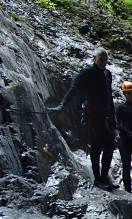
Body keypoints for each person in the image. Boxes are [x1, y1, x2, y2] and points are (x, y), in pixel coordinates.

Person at [49, 47, 119, 191]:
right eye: (101, 59)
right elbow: (74, 89)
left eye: (106, 60)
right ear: (95, 58)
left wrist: (113, 117)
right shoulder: (87, 72)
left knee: (110, 146)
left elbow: (109, 96)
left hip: (106, 115)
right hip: (93, 114)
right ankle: (98, 179)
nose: (103, 62)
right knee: (96, 146)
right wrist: (62, 106)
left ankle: (105, 176)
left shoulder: (107, 74)